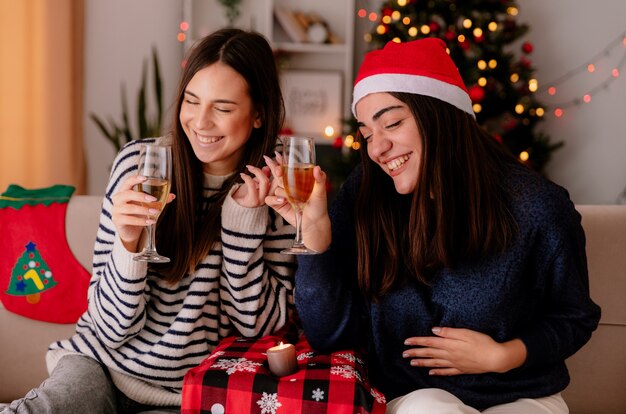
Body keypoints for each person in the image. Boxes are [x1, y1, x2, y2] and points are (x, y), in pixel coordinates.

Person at [265, 38, 601, 413]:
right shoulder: (365, 193)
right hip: (413, 397)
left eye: (391, 123)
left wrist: (503, 356)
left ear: (440, 113)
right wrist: (314, 235)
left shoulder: (537, 206)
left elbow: (575, 316)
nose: (377, 148)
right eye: (367, 133)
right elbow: (330, 336)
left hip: (525, 395)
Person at [2, 28, 295, 413]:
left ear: (259, 114)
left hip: (192, 391)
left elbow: (260, 329)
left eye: (222, 108)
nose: (200, 122)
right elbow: (110, 328)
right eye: (191, 101)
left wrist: (243, 222)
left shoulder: (279, 186)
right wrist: (128, 244)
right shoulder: (139, 166)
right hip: (101, 364)